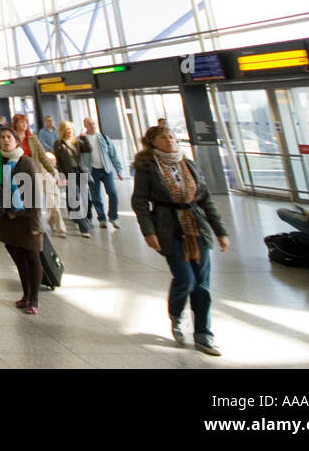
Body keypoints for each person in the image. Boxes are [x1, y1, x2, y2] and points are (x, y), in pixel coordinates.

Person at [132, 124, 230, 356]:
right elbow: (140, 201)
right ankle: (177, 313)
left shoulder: (188, 164)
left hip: (197, 227)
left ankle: (204, 332)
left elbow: (205, 200)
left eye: (172, 137)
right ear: (152, 142)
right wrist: (148, 231)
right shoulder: (147, 167)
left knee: (202, 283)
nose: (169, 140)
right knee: (185, 278)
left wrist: (220, 231)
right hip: (168, 228)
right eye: (163, 137)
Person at [0, 124, 45, 315]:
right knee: (19, 259)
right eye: (2, 137)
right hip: (8, 218)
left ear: (16, 141)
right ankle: (26, 294)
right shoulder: (0, 161)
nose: (5, 140)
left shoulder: (25, 162)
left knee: (32, 257)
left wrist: (36, 224)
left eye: (9, 137)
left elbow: (35, 194)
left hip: (26, 217)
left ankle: (35, 298)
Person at [83, 117, 124, 229]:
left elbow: (113, 155)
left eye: (93, 123)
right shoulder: (82, 140)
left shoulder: (104, 138)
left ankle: (113, 217)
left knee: (113, 193)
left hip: (106, 170)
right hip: (92, 171)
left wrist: (119, 170)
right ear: (85, 125)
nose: (92, 125)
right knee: (96, 197)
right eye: (89, 124)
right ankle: (102, 218)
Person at [53, 121, 91, 237]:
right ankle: (84, 227)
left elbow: (88, 149)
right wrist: (62, 176)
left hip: (81, 172)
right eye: (67, 129)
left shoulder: (77, 142)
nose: (69, 131)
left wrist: (84, 138)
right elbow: (58, 162)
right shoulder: (58, 144)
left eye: (71, 128)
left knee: (86, 198)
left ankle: (82, 218)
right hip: (69, 173)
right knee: (75, 198)